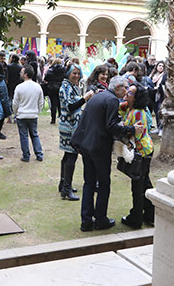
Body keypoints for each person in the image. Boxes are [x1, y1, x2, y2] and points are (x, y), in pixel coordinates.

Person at [71, 76, 145, 232]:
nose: (126, 92)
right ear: (117, 86)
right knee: (103, 183)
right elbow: (111, 125)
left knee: (89, 183)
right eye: (125, 87)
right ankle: (100, 219)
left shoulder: (98, 97)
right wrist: (131, 129)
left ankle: (86, 221)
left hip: (86, 145)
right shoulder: (111, 100)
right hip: (98, 147)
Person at [119, 84, 155, 229]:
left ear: (137, 97)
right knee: (144, 182)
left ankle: (136, 218)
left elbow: (137, 133)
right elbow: (119, 108)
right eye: (127, 91)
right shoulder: (129, 108)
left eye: (130, 93)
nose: (127, 93)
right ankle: (150, 213)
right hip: (142, 150)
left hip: (143, 151)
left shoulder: (139, 112)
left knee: (138, 184)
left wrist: (124, 130)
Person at [58, 64, 94, 201]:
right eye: (74, 73)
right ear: (68, 73)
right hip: (69, 126)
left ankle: (63, 184)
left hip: (70, 124)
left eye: (78, 73)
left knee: (67, 155)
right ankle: (66, 190)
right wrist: (85, 98)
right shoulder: (65, 87)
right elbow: (70, 106)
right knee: (71, 156)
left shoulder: (71, 86)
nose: (77, 76)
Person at [12, 65, 44, 162]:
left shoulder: (19, 87)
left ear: (25, 74)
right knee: (34, 134)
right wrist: (37, 111)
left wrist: (15, 112)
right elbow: (41, 102)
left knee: (24, 136)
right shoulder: (37, 87)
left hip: (22, 114)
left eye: (22, 72)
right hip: (33, 114)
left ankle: (26, 155)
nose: (20, 74)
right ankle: (39, 154)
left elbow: (15, 103)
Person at [44, 58, 65, 124]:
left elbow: (46, 78)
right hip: (60, 87)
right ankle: (61, 117)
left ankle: (53, 119)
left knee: (53, 104)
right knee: (60, 103)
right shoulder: (64, 70)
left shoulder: (50, 70)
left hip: (52, 88)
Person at [149, 61, 167, 135]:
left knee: (160, 112)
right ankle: (158, 127)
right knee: (156, 112)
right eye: (159, 65)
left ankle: (161, 129)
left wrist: (158, 88)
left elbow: (163, 85)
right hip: (153, 96)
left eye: (162, 66)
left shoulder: (164, 75)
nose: (161, 67)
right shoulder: (153, 75)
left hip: (160, 96)